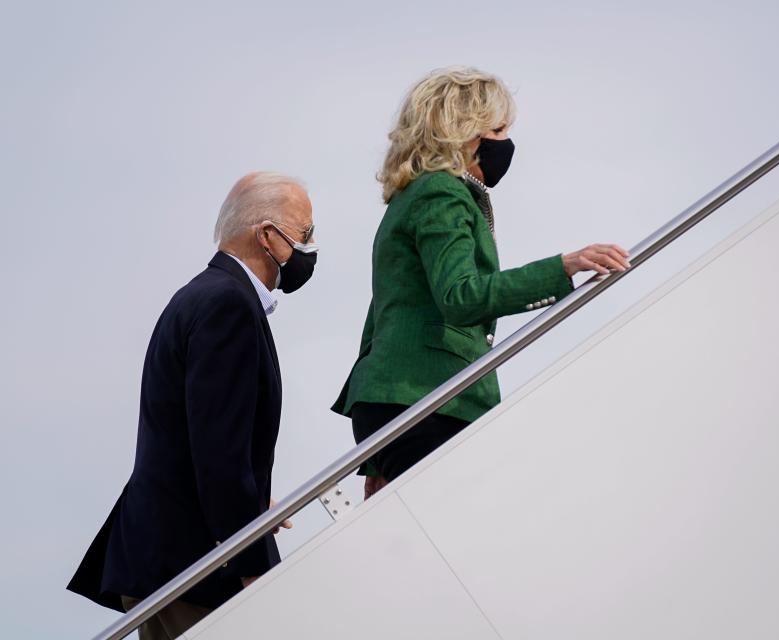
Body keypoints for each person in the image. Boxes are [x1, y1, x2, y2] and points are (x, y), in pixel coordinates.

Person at [332, 67, 630, 499]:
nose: (505, 141)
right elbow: (461, 296)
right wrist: (563, 266)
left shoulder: (412, 196)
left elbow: (390, 312)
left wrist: (379, 451)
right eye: (498, 128)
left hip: (401, 398)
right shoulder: (441, 192)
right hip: (429, 398)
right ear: (463, 132)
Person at [68, 172, 316, 639]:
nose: (310, 247)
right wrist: (252, 562)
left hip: (166, 559)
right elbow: (220, 453)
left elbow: (197, 433)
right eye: (304, 234)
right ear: (267, 237)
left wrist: (254, 500)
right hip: (194, 567)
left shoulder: (202, 296)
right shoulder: (228, 305)